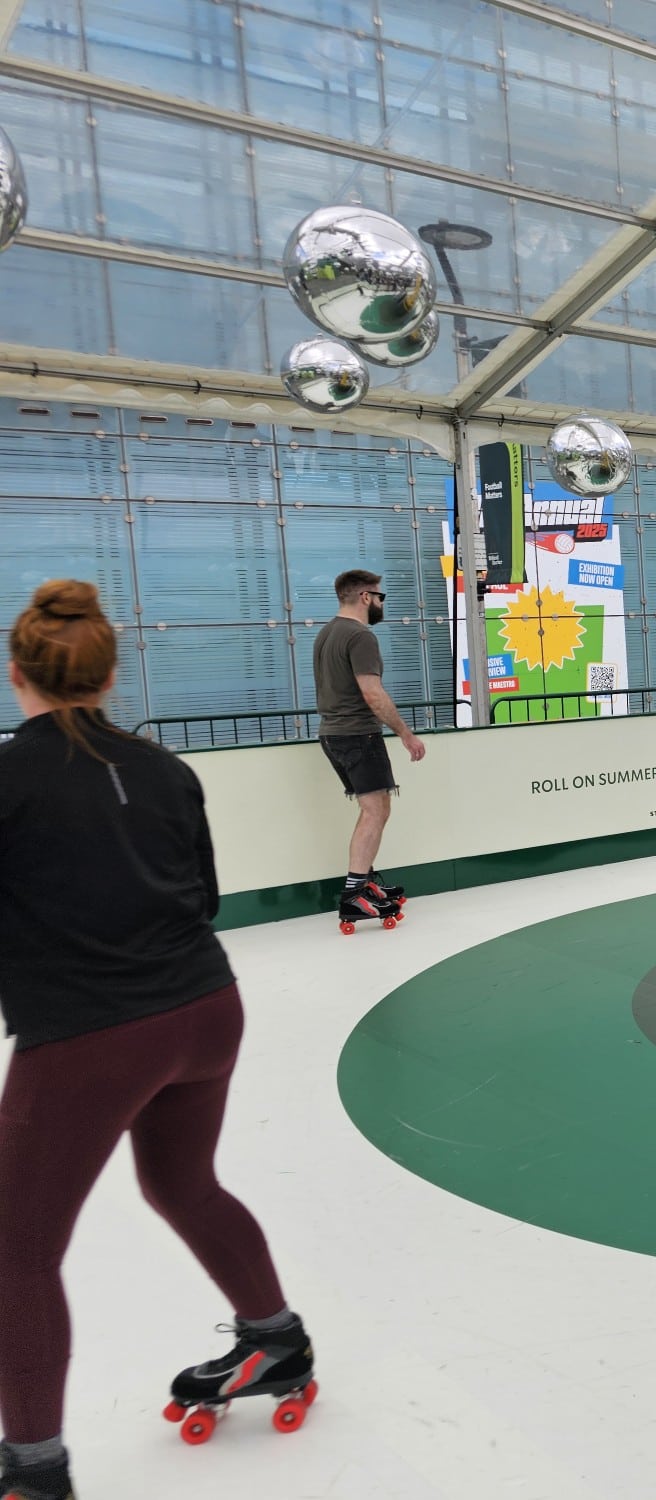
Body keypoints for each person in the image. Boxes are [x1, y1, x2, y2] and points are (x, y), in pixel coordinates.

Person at [0, 582, 315, 1500]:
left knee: (16, 1253)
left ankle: (32, 1471)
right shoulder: (168, 771)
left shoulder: (8, 781)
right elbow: (203, 896)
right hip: (207, 1011)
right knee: (181, 1182)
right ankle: (275, 1337)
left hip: (93, 1038)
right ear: (106, 675)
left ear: (18, 675)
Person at [312, 568, 426, 930]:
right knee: (374, 812)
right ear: (365, 597)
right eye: (380, 596)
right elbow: (372, 693)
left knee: (376, 807)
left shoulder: (327, 633)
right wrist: (406, 734)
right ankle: (354, 894)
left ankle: (367, 881)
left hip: (333, 734)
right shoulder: (360, 636)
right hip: (358, 734)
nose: (380, 603)